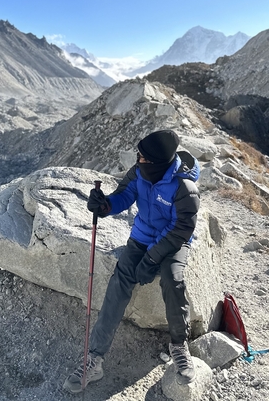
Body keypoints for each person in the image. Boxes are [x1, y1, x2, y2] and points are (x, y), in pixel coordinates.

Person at [64, 129, 200, 393]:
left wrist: (152, 258)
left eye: (143, 158)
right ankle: (95, 358)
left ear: (159, 162)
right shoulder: (140, 171)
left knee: (172, 279)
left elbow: (182, 228)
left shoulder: (185, 187)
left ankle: (179, 345)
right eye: (138, 156)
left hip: (172, 242)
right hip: (140, 237)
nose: (138, 160)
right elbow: (124, 195)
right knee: (119, 282)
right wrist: (104, 205)